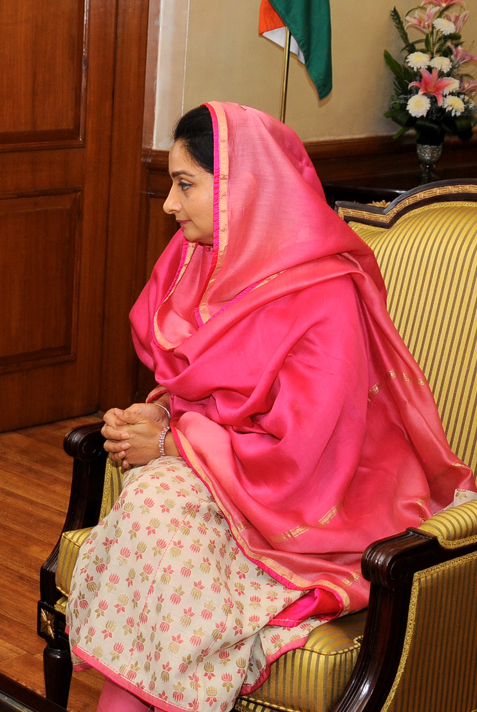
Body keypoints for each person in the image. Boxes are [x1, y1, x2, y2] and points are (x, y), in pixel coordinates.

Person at [67, 102, 476, 712]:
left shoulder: (323, 293)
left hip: (326, 496)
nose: (169, 206)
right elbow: (211, 393)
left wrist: (176, 444)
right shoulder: (199, 261)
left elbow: (305, 450)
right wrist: (162, 415)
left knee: (155, 510)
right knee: (156, 511)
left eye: (186, 185)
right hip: (237, 476)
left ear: (242, 187)